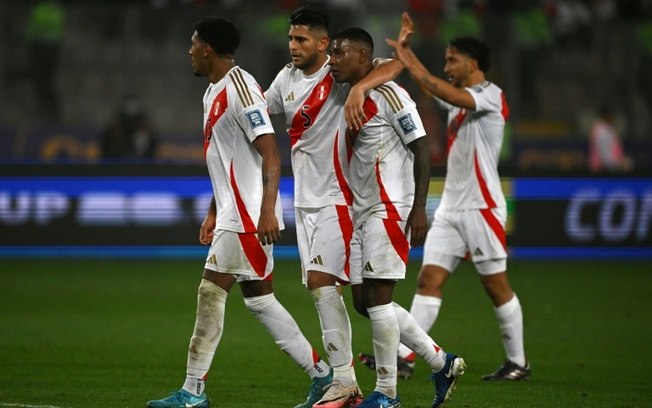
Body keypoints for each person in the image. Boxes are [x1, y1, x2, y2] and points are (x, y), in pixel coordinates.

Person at [146, 17, 333, 408]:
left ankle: (193, 390)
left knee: (210, 291)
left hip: (248, 216)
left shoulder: (242, 88)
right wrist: (214, 210)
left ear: (208, 49)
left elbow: (269, 150)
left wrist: (268, 209)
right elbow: (228, 158)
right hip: (235, 211)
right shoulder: (212, 91)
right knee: (260, 299)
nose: (189, 51)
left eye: (193, 44)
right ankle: (323, 375)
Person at [365, 12, 529, 382]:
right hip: (453, 208)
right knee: (428, 281)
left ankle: (518, 362)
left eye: (452, 59)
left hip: (482, 207)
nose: (447, 65)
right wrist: (405, 51)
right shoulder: (462, 101)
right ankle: (405, 357)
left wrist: (407, 59)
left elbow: (438, 88)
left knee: (495, 284)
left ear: (472, 63)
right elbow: (435, 88)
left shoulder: (489, 95)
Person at [265, 6, 404, 408]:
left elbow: (394, 64)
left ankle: (343, 380)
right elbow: (258, 110)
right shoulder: (286, 79)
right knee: (360, 299)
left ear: (324, 44)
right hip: (304, 201)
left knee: (327, 288)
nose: (292, 46)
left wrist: (359, 90)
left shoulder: (339, 73)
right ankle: (433, 357)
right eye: (291, 38)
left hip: (338, 197)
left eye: (301, 40)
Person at [329, 27, 466, 408]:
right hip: (360, 209)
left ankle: (387, 393)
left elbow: (421, 149)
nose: (333, 60)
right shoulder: (348, 88)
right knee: (364, 302)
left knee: (379, 299)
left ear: (362, 56)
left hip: (389, 207)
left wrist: (420, 207)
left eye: (340, 53)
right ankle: (441, 361)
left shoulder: (391, 95)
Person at [101, 95, 158, 160]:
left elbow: (152, 155)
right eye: (125, 119)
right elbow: (105, 154)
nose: (131, 125)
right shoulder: (113, 133)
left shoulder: (146, 134)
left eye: (136, 120)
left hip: (141, 167)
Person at [588, 105, 632, 173]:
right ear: (607, 116)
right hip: (603, 170)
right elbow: (605, 156)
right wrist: (620, 164)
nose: (614, 118)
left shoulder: (606, 129)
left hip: (607, 168)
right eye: (612, 116)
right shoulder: (602, 131)